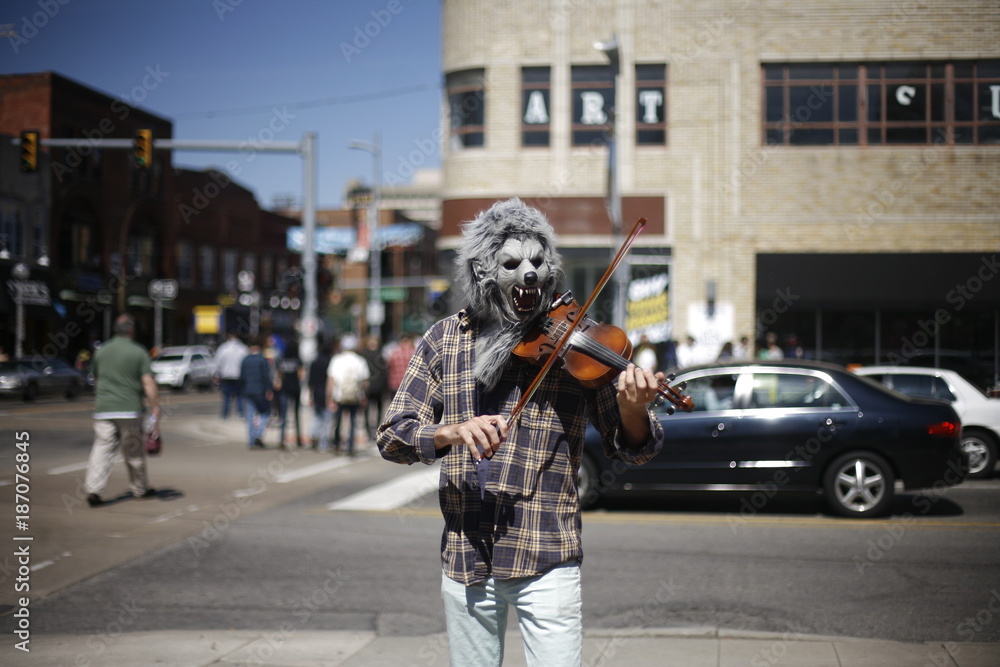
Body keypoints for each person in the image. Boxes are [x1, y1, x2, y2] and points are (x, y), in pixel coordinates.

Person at [376, 198, 664, 667]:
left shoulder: (579, 342)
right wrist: (451, 431)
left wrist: (632, 408)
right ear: (483, 271)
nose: (528, 274)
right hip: (468, 554)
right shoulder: (446, 339)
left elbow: (634, 449)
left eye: (537, 262)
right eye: (511, 264)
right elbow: (392, 436)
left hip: (546, 552)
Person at [84, 314, 160, 507]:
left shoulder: (101, 351)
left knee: (102, 449)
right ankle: (139, 488)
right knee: (133, 451)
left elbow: (96, 377)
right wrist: (155, 406)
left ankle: (94, 489)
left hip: (104, 409)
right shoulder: (138, 352)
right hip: (129, 409)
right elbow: (147, 381)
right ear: (131, 330)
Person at [327, 334, 370, 456]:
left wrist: (329, 396)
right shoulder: (360, 361)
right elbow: (365, 381)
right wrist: (364, 395)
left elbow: (331, 380)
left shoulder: (336, 360)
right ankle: (351, 446)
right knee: (353, 421)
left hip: (339, 396)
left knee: (338, 420)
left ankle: (336, 443)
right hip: (355, 396)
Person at [240, 335, 275, 449]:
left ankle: (251, 439)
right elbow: (266, 376)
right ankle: (258, 434)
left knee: (250, 415)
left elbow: (242, 377)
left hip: (248, 390)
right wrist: (268, 389)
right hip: (260, 390)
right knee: (265, 413)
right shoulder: (262, 360)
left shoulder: (245, 360)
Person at [275, 339, 304, 448]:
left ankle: (282, 440)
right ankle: (298, 439)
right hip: (295, 389)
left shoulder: (281, 360)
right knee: (296, 416)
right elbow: (301, 376)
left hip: (284, 389)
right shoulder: (297, 361)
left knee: (283, 416)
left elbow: (279, 376)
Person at [213, 331, 248, 420]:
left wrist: (216, 374)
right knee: (240, 396)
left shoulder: (223, 348)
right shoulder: (243, 348)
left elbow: (217, 362)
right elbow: (246, 362)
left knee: (226, 396)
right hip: (239, 375)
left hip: (226, 375)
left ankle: (225, 415)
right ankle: (240, 413)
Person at [307, 336, 333, 451]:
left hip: (316, 392)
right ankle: (323, 442)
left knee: (317, 416)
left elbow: (310, 381)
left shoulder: (314, 362)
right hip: (327, 393)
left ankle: (313, 435)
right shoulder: (330, 363)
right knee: (327, 419)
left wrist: (309, 395)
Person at [361, 334, 388, 435]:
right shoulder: (381, 355)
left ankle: (368, 428)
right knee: (378, 407)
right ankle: (377, 426)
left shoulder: (363, 355)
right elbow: (385, 371)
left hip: (368, 385)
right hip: (379, 386)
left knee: (366, 408)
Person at [385, 333, 415, 401]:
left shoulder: (394, 353)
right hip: (410, 384)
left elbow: (388, 366)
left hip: (395, 384)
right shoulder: (414, 353)